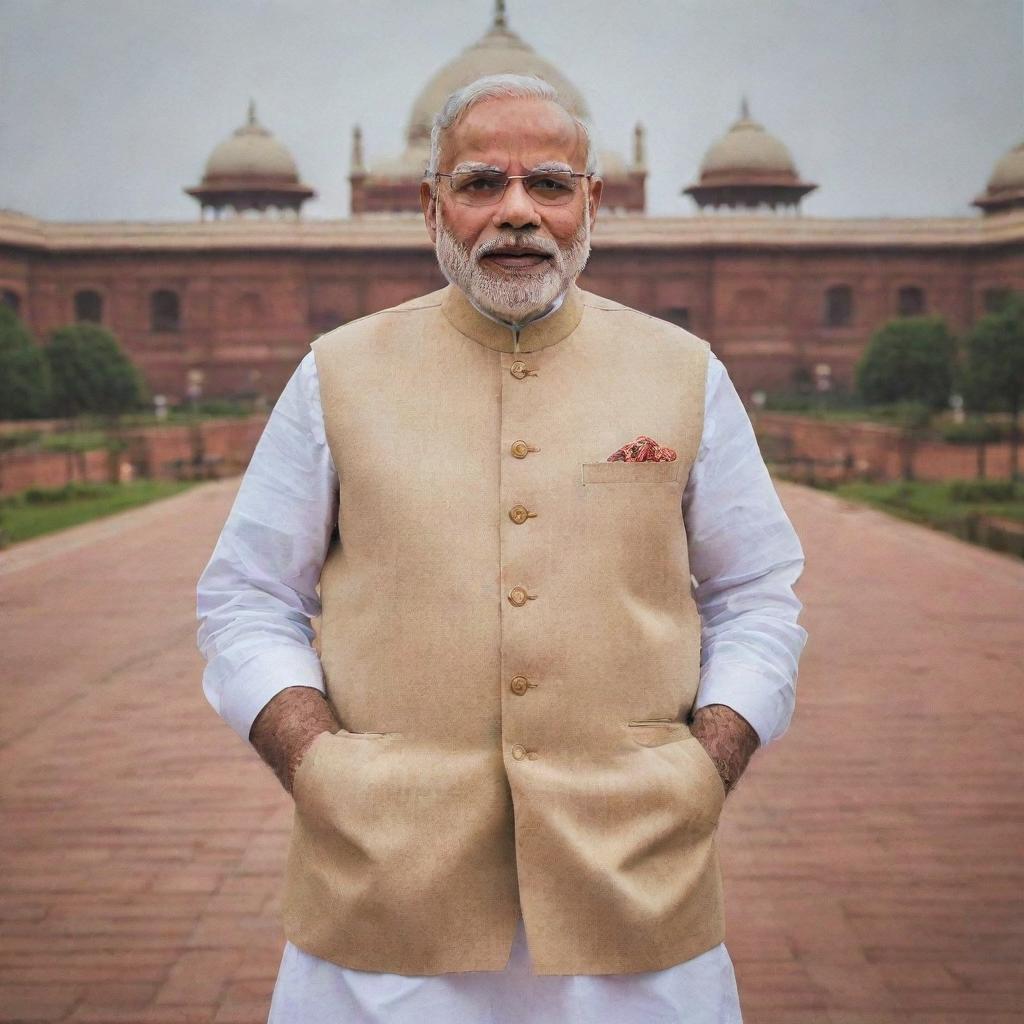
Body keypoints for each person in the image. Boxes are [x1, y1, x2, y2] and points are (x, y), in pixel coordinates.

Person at [196, 73, 808, 1024]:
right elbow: (245, 595)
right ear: (429, 203)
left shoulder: (682, 372)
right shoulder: (337, 375)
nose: (517, 211)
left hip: (633, 877)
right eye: (482, 182)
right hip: (386, 886)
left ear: (592, 202)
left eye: (550, 184)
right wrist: (315, 762)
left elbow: (758, 591)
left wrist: (707, 762)